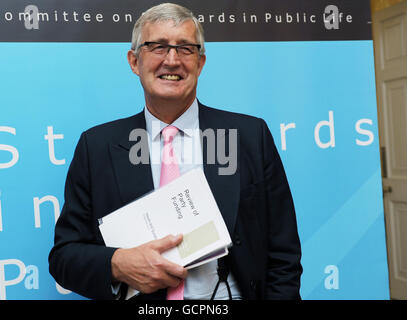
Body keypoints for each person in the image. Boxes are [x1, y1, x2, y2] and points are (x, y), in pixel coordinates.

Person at [48, 3, 302, 300]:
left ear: (200, 62)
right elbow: (64, 257)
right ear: (134, 61)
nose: (172, 60)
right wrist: (117, 264)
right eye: (157, 47)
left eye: (185, 49)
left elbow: (283, 256)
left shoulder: (248, 136)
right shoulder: (97, 147)